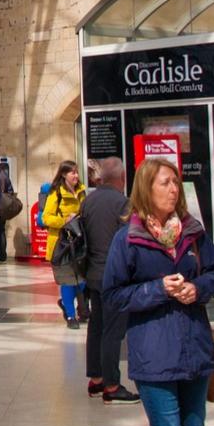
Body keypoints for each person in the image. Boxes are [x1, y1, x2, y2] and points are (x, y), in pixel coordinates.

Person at [102, 158, 214, 426]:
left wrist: (198, 288)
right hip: (154, 354)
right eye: (165, 183)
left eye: (176, 182)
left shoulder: (193, 232)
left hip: (195, 349)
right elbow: (112, 296)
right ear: (146, 188)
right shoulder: (128, 238)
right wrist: (158, 289)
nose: (174, 189)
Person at [81, 157, 135, 404]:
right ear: (122, 179)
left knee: (96, 327)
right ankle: (112, 385)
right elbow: (129, 240)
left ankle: (96, 379)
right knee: (113, 332)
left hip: (92, 273)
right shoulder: (122, 204)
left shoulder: (88, 201)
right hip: (114, 276)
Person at [42, 160, 86, 327]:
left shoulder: (81, 191)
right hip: (62, 244)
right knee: (68, 281)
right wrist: (64, 221)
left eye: (76, 172)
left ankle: (65, 303)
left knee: (82, 282)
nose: (76, 175)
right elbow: (46, 217)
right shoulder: (56, 193)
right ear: (63, 174)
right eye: (72, 172)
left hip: (79, 242)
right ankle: (70, 315)